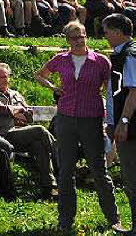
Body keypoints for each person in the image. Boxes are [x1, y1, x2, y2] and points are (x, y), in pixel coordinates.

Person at [35, 21, 122, 233]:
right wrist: (53, 87)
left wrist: (106, 115)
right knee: (65, 170)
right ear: (67, 40)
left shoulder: (100, 61)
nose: (80, 40)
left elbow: (110, 89)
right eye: (75, 37)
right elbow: (40, 75)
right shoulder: (60, 59)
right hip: (65, 118)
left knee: (99, 169)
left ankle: (113, 217)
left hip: (91, 118)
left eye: (82, 35)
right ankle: (65, 219)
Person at [0, 62, 57, 199]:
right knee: (40, 130)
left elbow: (29, 116)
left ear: (9, 77)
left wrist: (20, 114)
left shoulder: (16, 94)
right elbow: (1, 109)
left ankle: (50, 187)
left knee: (39, 145)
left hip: (20, 134)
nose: (1, 80)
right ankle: (63, 160)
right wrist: (19, 110)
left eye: (4, 77)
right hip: (3, 135)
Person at [103, 14, 136, 233]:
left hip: (132, 127)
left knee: (132, 179)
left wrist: (123, 122)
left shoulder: (129, 55)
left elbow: (134, 91)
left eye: (106, 31)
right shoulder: (124, 54)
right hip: (127, 124)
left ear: (117, 31)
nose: (104, 36)